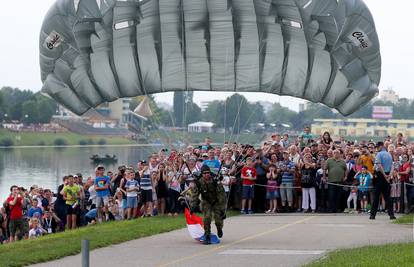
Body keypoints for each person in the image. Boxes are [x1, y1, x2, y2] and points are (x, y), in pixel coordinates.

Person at [190, 165, 226, 245]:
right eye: (205, 173)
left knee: (218, 219)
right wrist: (192, 206)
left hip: (216, 201)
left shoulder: (215, 181)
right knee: (207, 217)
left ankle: (219, 228)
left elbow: (222, 195)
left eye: (208, 173)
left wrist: (222, 209)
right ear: (202, 174)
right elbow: (194, 195)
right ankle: (207, 234)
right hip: (206, 202)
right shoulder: (199, 182)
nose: (207, 174)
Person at [370, 142, 396, 220]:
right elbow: (392, 166)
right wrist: (389, 176)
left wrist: (384, 175)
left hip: (380, 176)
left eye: (377, 147)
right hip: (387, 176)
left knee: (376, 196)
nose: (377, 148)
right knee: (387, 196)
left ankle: (372, 215)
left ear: (381, 146)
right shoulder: (389, 155)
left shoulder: (379, 154)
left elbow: (379, 165)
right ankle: (391, 214)